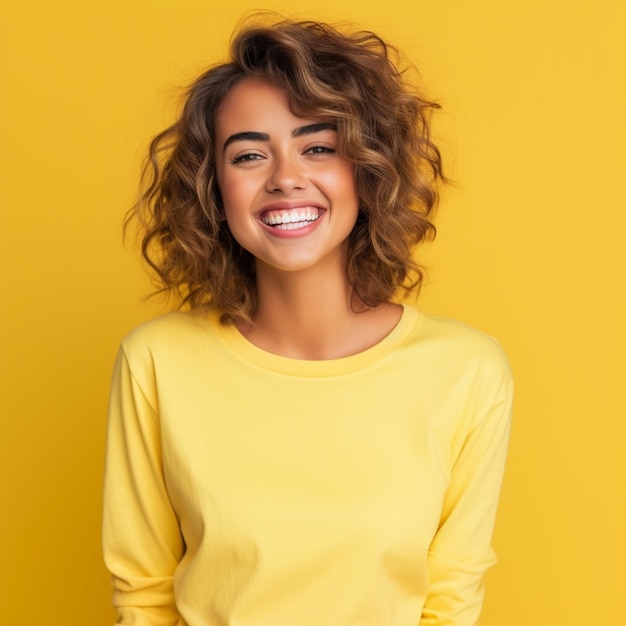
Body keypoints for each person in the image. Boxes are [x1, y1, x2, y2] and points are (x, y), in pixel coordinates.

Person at [102, 17, 513, 626]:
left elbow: (451, 601)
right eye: (248, 155)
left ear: (367, 168)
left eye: (317, 147)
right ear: (215, 188)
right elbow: (143, 594)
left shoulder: (466, 371)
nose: (285, 177)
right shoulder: (156, 362)